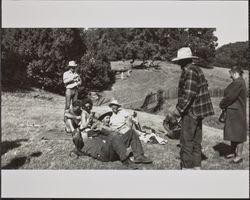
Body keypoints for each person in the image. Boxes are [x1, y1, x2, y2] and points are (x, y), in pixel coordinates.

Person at [170, 47, 214, 170]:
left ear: (183, 61)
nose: (178, 63)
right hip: (198, 111)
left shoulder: (188, 71)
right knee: (196, 141)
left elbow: (189, 93)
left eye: (179, 61)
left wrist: (178, 110)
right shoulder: (197, 69)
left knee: (186, 141)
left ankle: (187, 168)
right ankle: (196, 167)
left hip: (191, 111)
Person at [71, 111, 152, 169]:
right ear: (101, 120)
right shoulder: (97, 127)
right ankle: (125, 160)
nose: (108, 120)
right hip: (104, 152)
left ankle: (139, 156)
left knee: (131, 132)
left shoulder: (109, 127)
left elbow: (118, 135)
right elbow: (81, 139)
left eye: (109, 118)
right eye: (107, 118)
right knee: (114, 135)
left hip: (115, 148)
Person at [219, 65, 247, 164]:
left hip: (237, 112)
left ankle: (238, 156)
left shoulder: (238, 82)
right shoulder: (238, 81)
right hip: (235, 111)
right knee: (234, 132)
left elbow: (230, 97)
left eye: (231, 74)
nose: (230, 76)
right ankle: (232, 152)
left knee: (238, 134)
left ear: (235, 73)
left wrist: (222, 104)